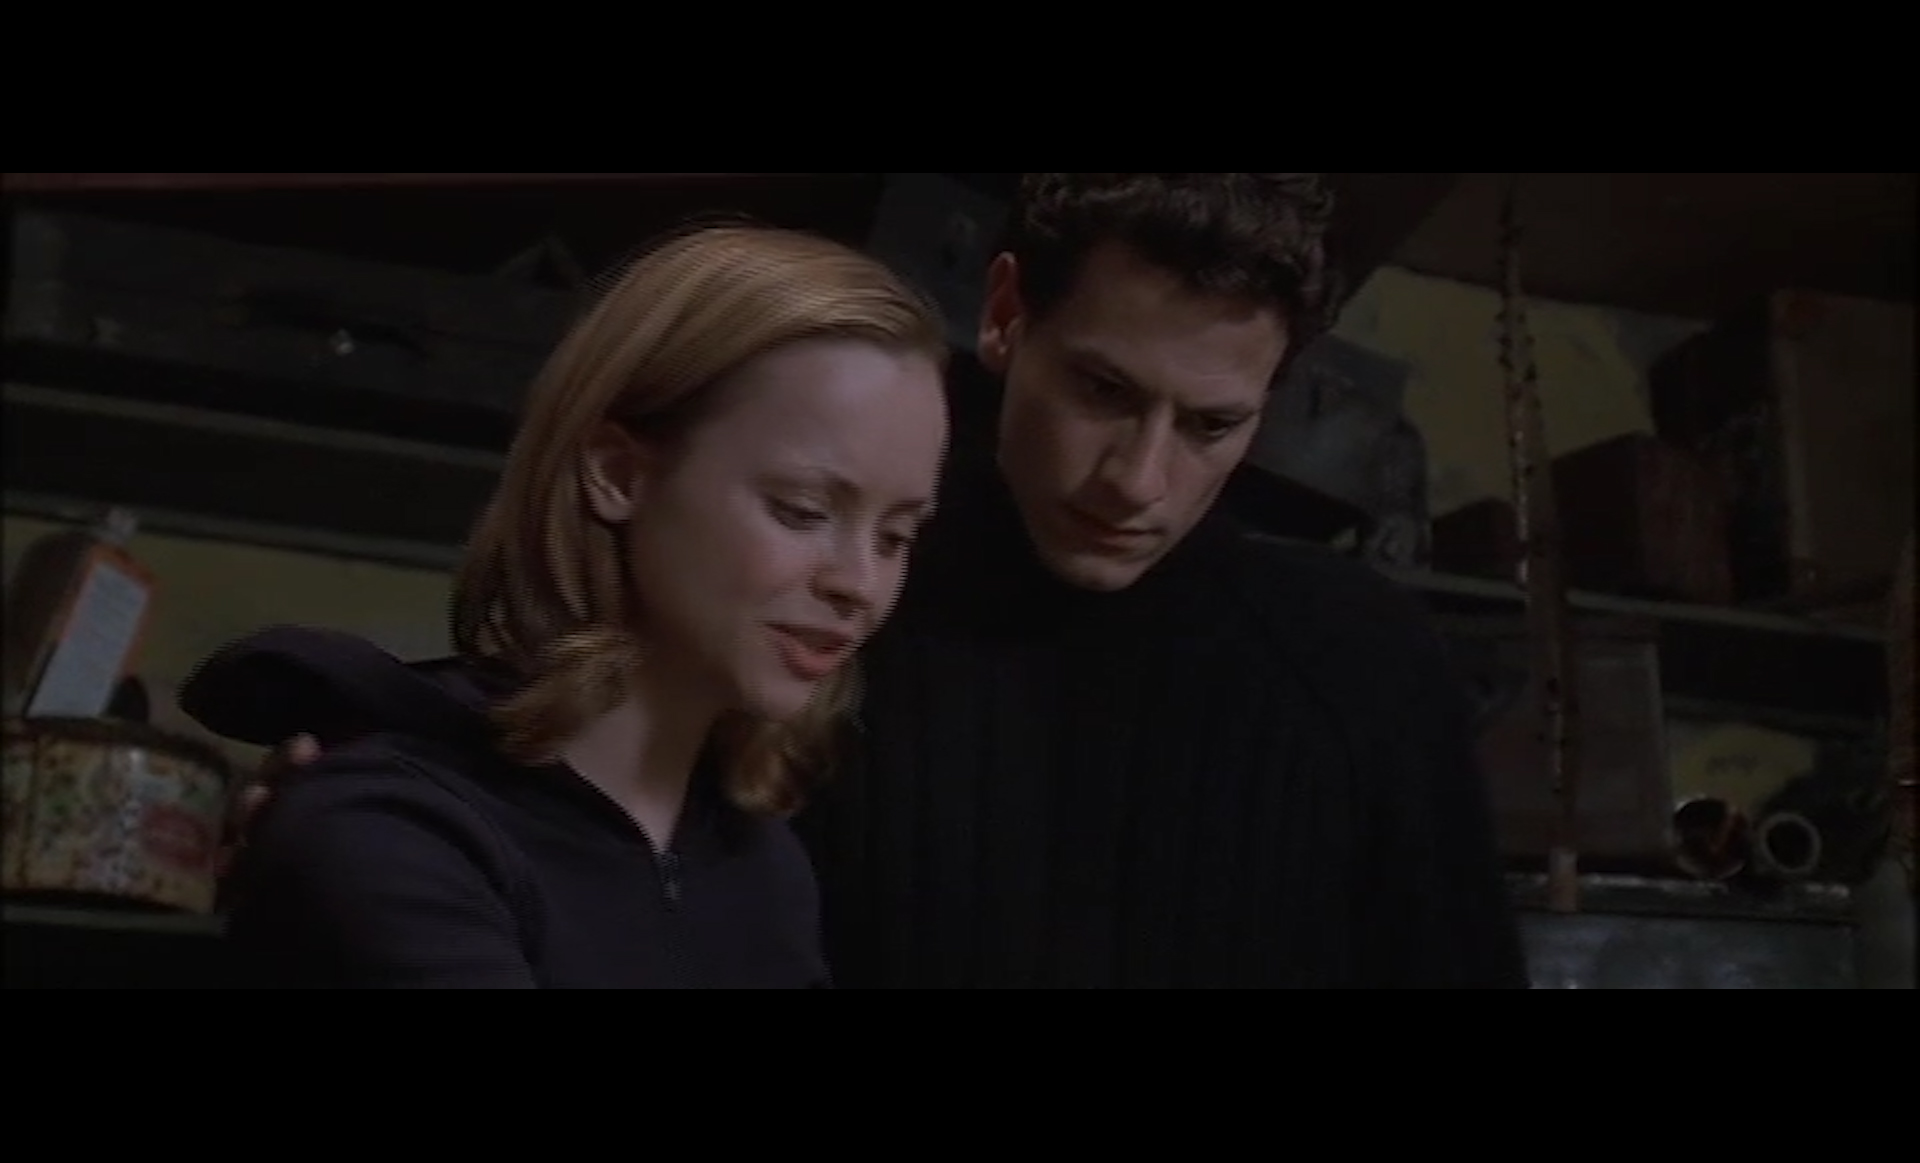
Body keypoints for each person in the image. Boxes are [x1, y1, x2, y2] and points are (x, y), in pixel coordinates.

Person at [237, 174, 1530, 989]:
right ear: (1006, 316)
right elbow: (576, 750)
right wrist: (386, 780)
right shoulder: (788, 638)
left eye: (1211, 425)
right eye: (1101, 389)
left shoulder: (1356, 667)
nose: (1139, 479)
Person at [183, 223, 951, 988]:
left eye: (896, 535)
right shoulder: (386, 829)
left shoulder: (760, 863)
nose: (861, 582)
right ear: (617, 473)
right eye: (802, 509)